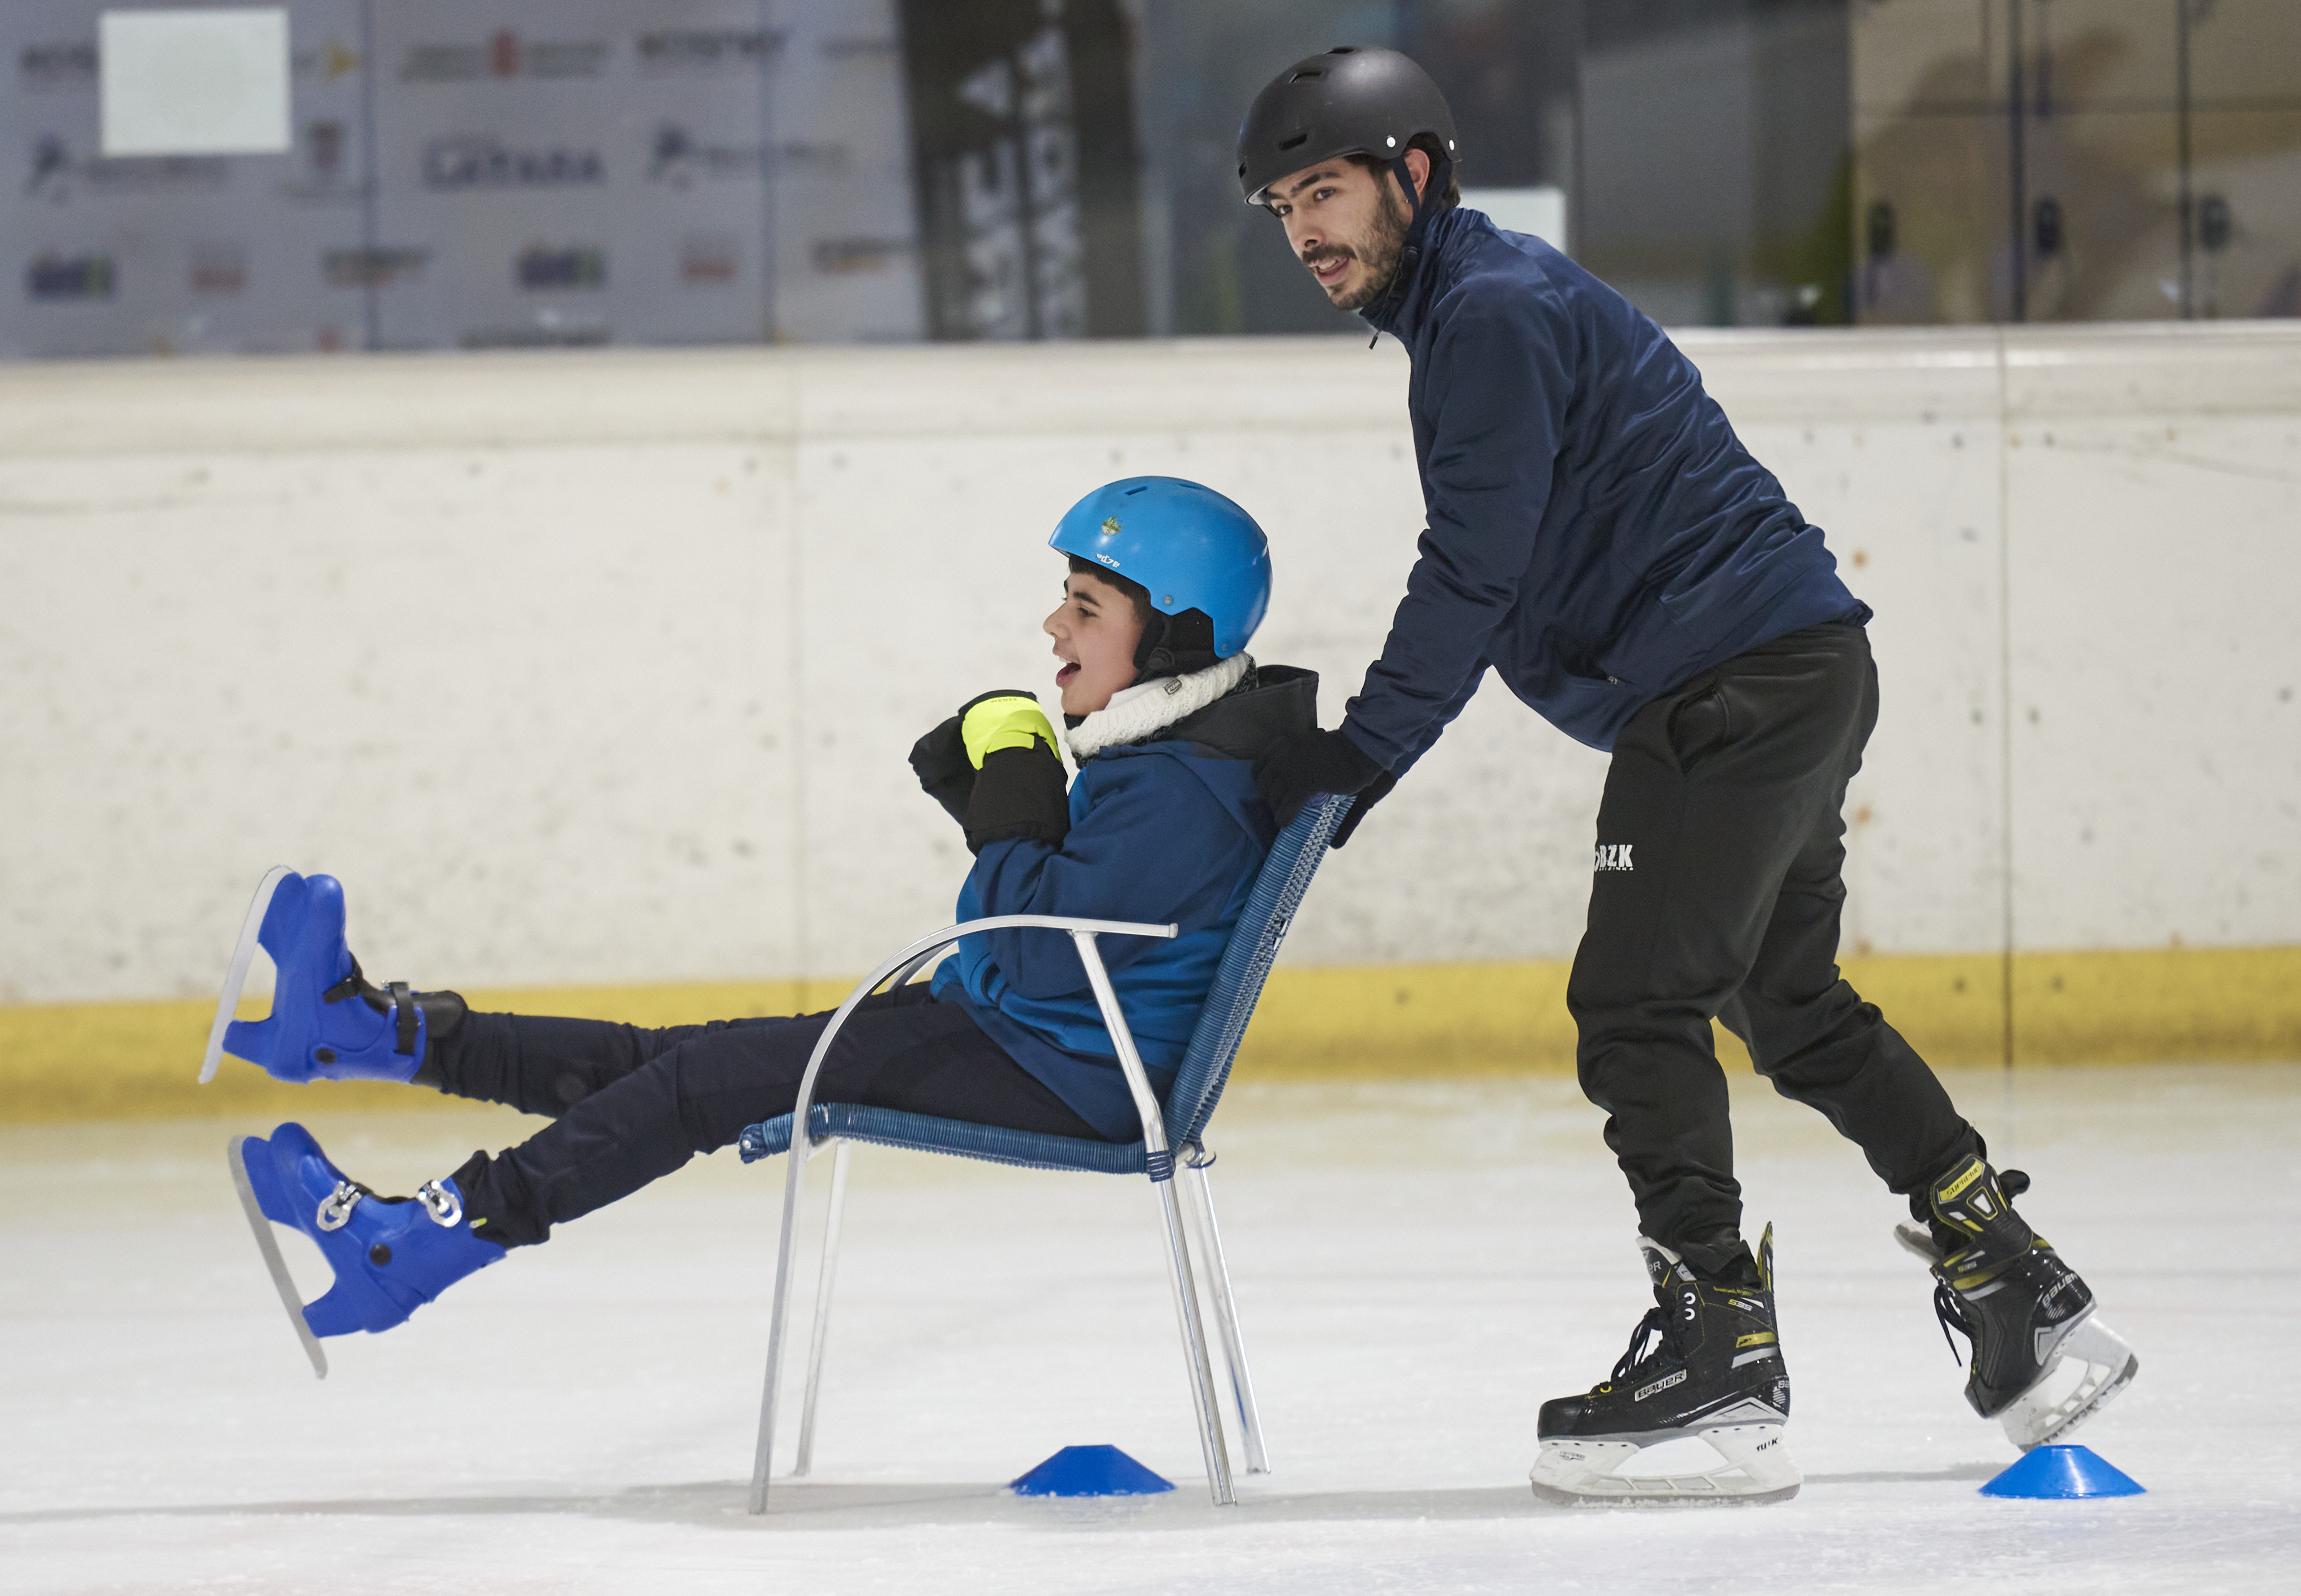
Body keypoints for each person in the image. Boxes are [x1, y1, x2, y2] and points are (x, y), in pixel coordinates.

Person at [1234, 47, 2137, 1504]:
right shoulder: (1474, 306)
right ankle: (2014, 1288)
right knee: (1789, 1007)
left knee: (1633, 1006)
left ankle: (1717, 1355)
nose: (1303, 232)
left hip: (1729, 687)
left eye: (1323, 191)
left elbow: (1472, 568)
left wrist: (1361, 754)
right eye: (1281, 207)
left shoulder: (1490, 313)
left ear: (1415, 172)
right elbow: (1520, 566)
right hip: (1784, 667)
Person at [219, 476, 1316, 1347]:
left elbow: (1034, 952)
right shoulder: (1178, 757)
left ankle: (413, 1247)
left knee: (694, 1080)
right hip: (1036, 1037)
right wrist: (999, 786)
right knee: (672, 1066)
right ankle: (365, 1034)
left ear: (1172, 639)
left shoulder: (1181, 794)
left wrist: (1020, 778)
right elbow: (1065, 923)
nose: (1051, 624)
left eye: (1085, 607)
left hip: (1064, 1070)